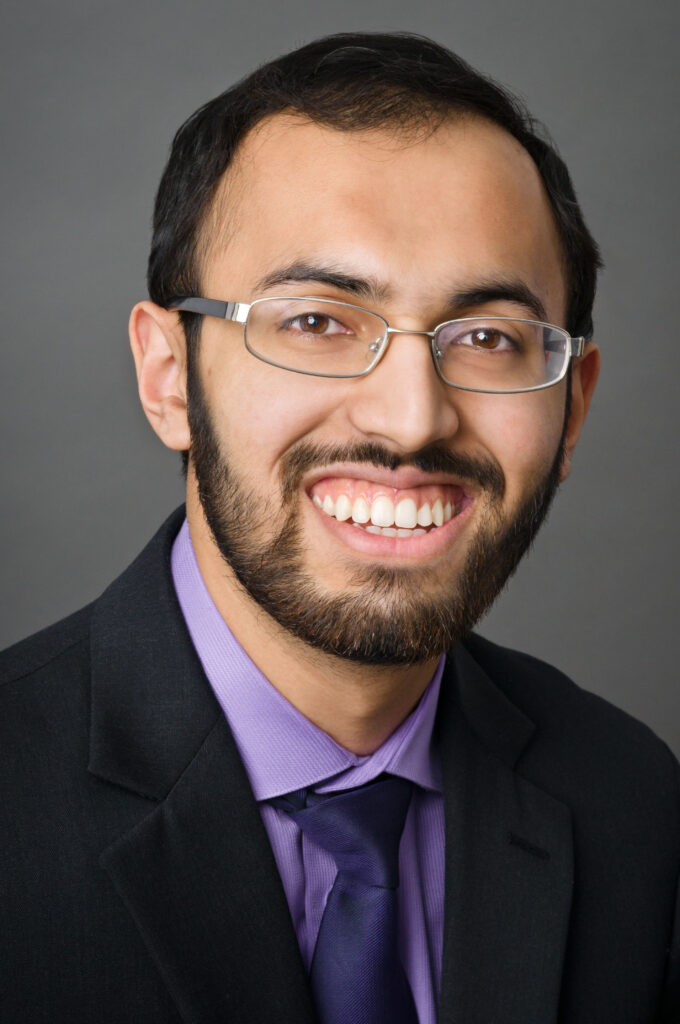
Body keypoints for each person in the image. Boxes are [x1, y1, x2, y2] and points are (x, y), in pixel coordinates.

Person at [1, 31, 678, 1024]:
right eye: (316, 321)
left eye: (487, 338)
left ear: (570, 407)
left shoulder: (631, 804)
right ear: (167, 377)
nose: (409, 419)